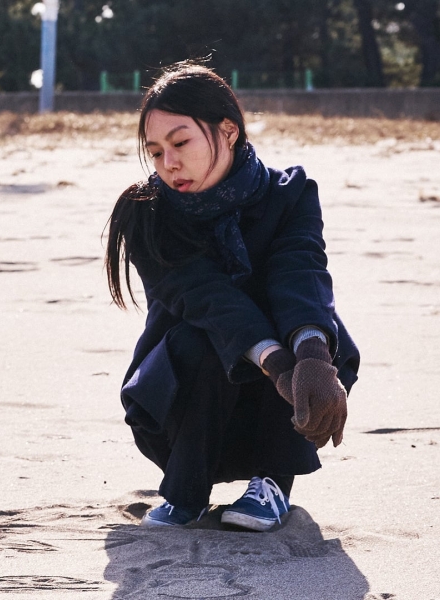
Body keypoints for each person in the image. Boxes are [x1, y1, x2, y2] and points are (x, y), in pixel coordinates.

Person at [104, 61, 360, 530]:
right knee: (204, 336)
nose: (168, 163)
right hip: (182, 399)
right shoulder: (147, 214)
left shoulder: (292, 195)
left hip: (276, 408)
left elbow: (299, 270)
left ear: (228, 131)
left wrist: (310, 358)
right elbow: (206, 298)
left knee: (314, 329)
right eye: (155, 151)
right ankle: (186, 492)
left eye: (180, 143)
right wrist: (277, 365)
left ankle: (272, 484)